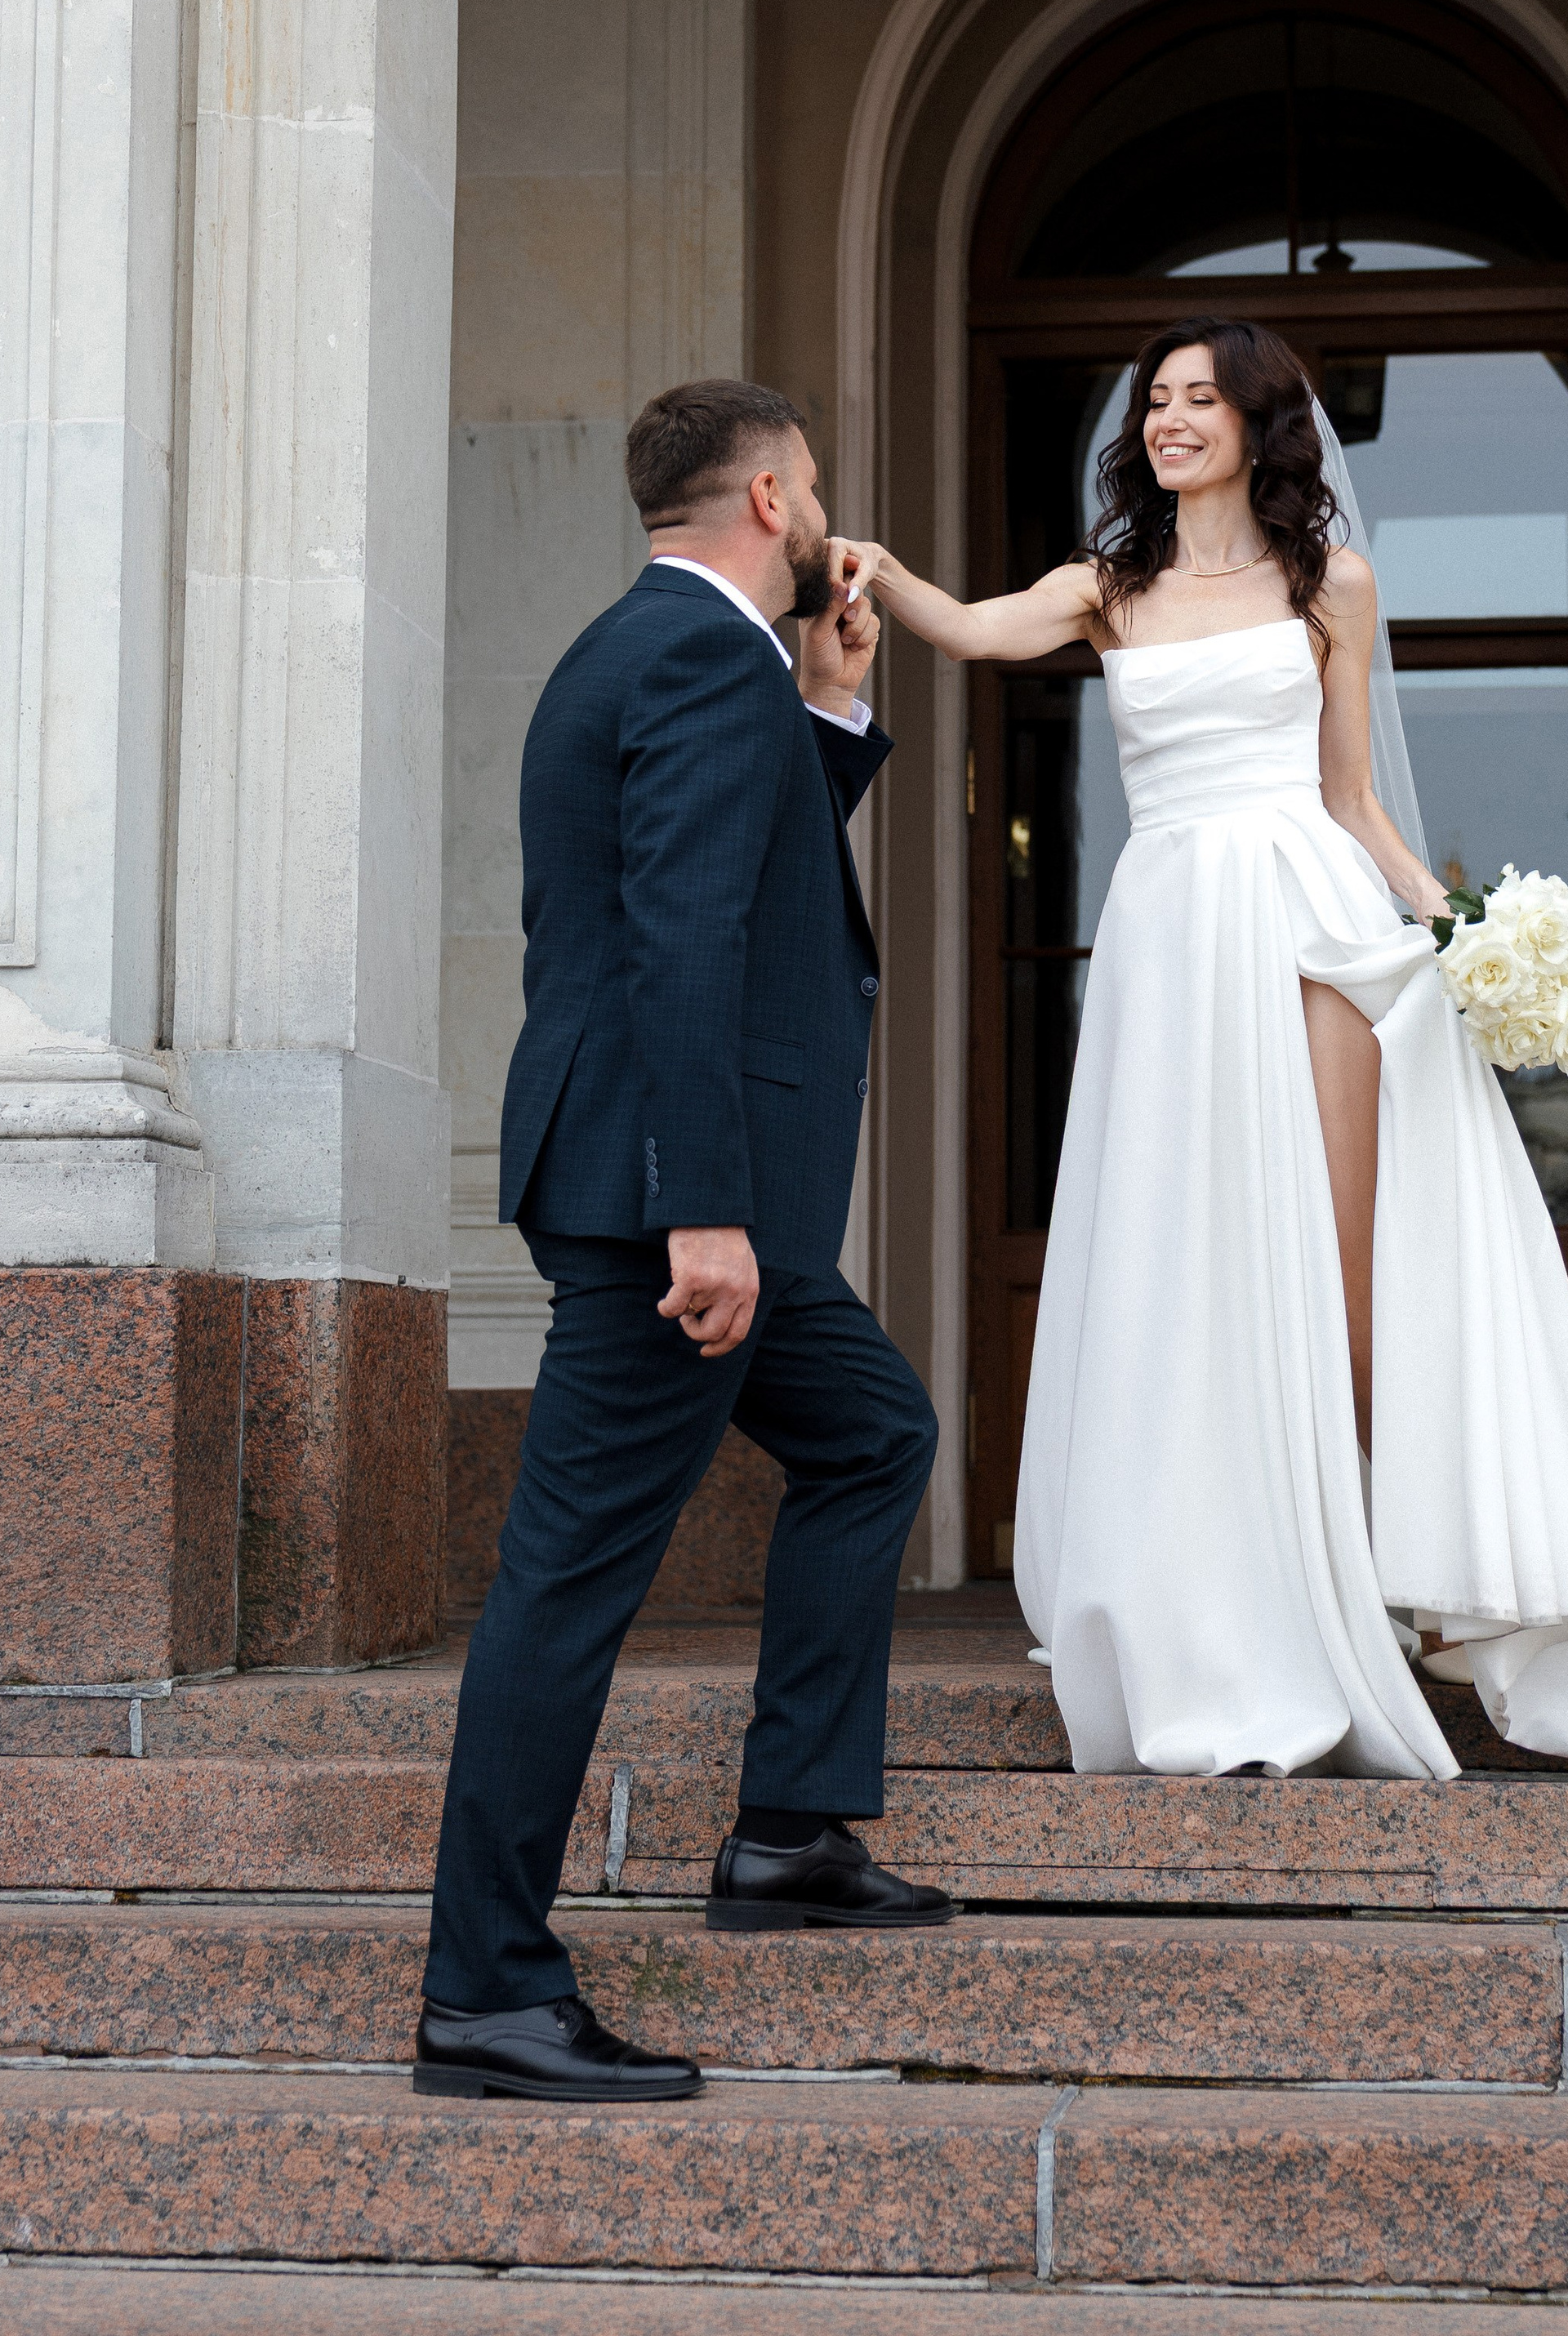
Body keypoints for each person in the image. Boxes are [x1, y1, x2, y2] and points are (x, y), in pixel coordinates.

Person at [837, 315, 1568, 1783]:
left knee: (1346, 1262)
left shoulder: (1332, 581)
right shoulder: (1110, 585)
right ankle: (1231, 1583)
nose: (1171, 420)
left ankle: (1378, 1562)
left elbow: (1349, 797)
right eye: (1156, 401)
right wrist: (876, 573)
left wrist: (1462, 928)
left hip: (1311, 924)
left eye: (1202, 399)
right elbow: (972, 628)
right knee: (1189, 1251)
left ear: (1263, 424)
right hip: (1166, 935)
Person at [417, 378, 949, 2107]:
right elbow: (684, 942)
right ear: (778, 498)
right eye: (814, 497)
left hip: (694, 1192)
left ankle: (791, 1830)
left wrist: (833, 710)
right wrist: (700, 1208)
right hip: (678, 1207)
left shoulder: (663, 653)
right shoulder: (699, 660)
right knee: (564, 1584)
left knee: (872, 1432)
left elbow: (727, 870)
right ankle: (488, 1993)